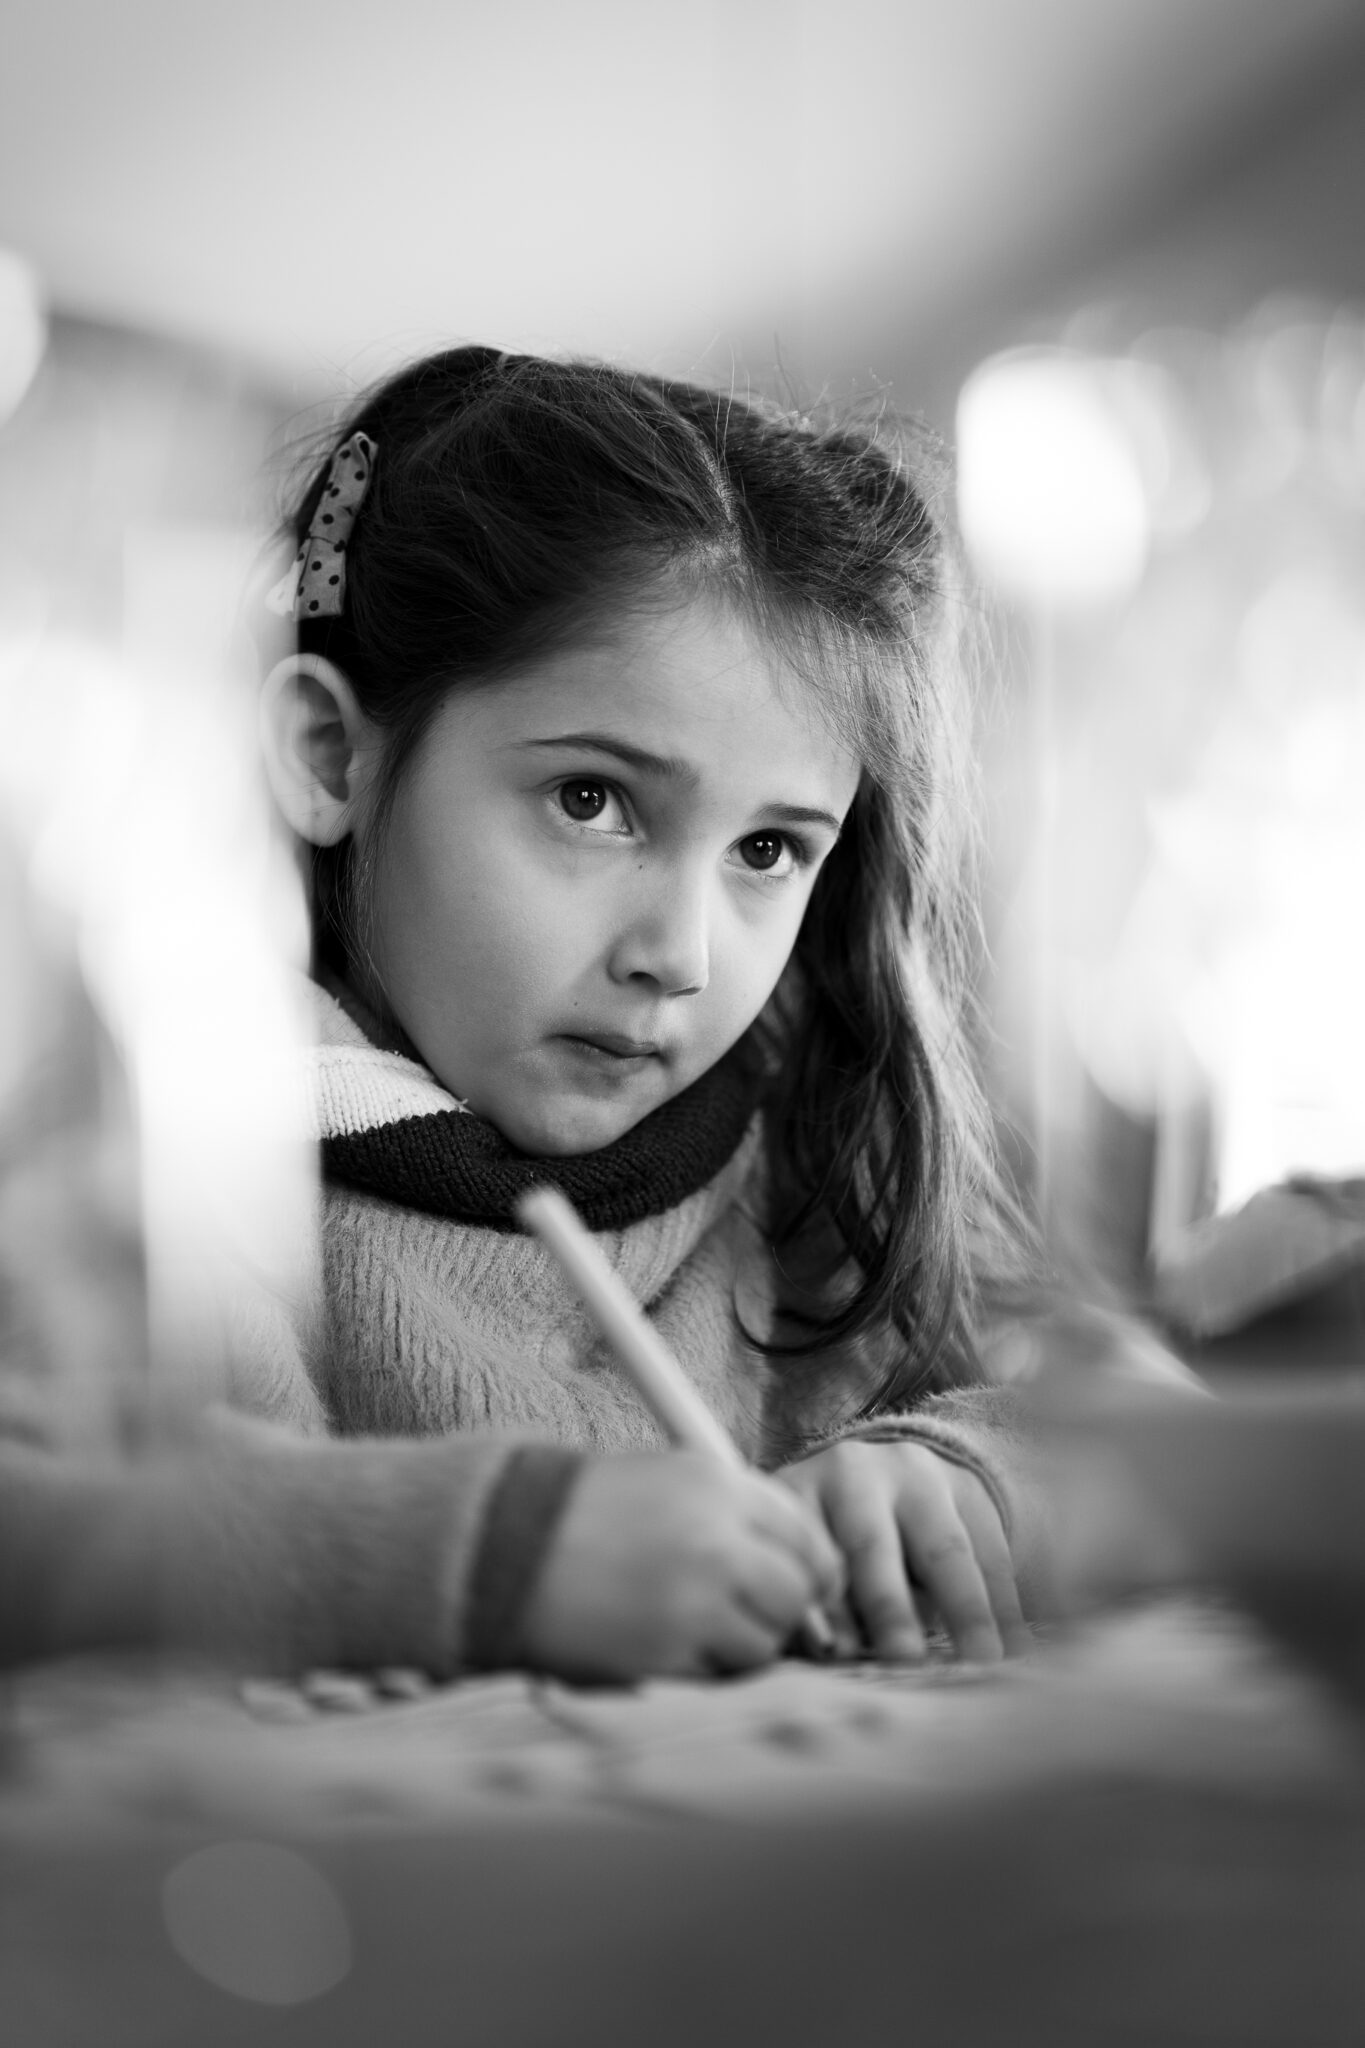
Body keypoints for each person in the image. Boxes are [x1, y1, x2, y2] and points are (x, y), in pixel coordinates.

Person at [236, 345, 1081, 1685]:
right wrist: (497, 1561)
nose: (680, 957)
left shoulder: (815, 1146)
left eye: (767, 852)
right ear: (333, 755)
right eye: (592, 802)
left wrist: (963, 1474)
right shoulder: (180, 1203)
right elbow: (85, 1533)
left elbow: (1132, 1407)